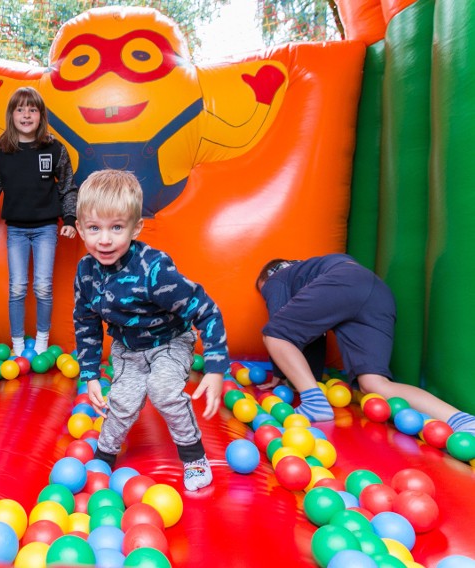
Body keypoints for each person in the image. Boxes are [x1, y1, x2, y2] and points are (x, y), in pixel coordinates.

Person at [73, 169, 229, 491]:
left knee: (162, 389)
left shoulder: (154, 269)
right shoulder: (85, 271)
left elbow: (207, 310)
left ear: (136, 228)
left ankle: (194, 456)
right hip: (129, 350)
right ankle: (104, 456)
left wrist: (215, 368)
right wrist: (89, 374)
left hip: (169, 341)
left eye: (117, 227)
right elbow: (86, 321)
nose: (104, 239)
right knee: (121, 404)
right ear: (79, 229)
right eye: (94, 228)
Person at [257, 254, 475, 434]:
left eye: (263, 291)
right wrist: (306, 379)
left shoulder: (277, 277)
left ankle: (315, 404)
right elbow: (312, 338)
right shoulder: (312, 272)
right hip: (377, 292)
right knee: (374, 383)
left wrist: (279, 371)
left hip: (346, 281)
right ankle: (462, 420)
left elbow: (280, 326)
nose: (265, 294)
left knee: (274, 334)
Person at [0, 87, 77, 355]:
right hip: (17, 231)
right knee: (17, 287)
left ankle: (42, 340)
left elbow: (68, 186)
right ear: (11, 115)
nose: (26, 114)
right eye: (20, 109)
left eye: (32, 109)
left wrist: (69, 218)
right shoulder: (1, 151)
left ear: (41, 115)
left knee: (43, 286)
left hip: (45, 229)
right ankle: (18, 345)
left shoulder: (54, 148)